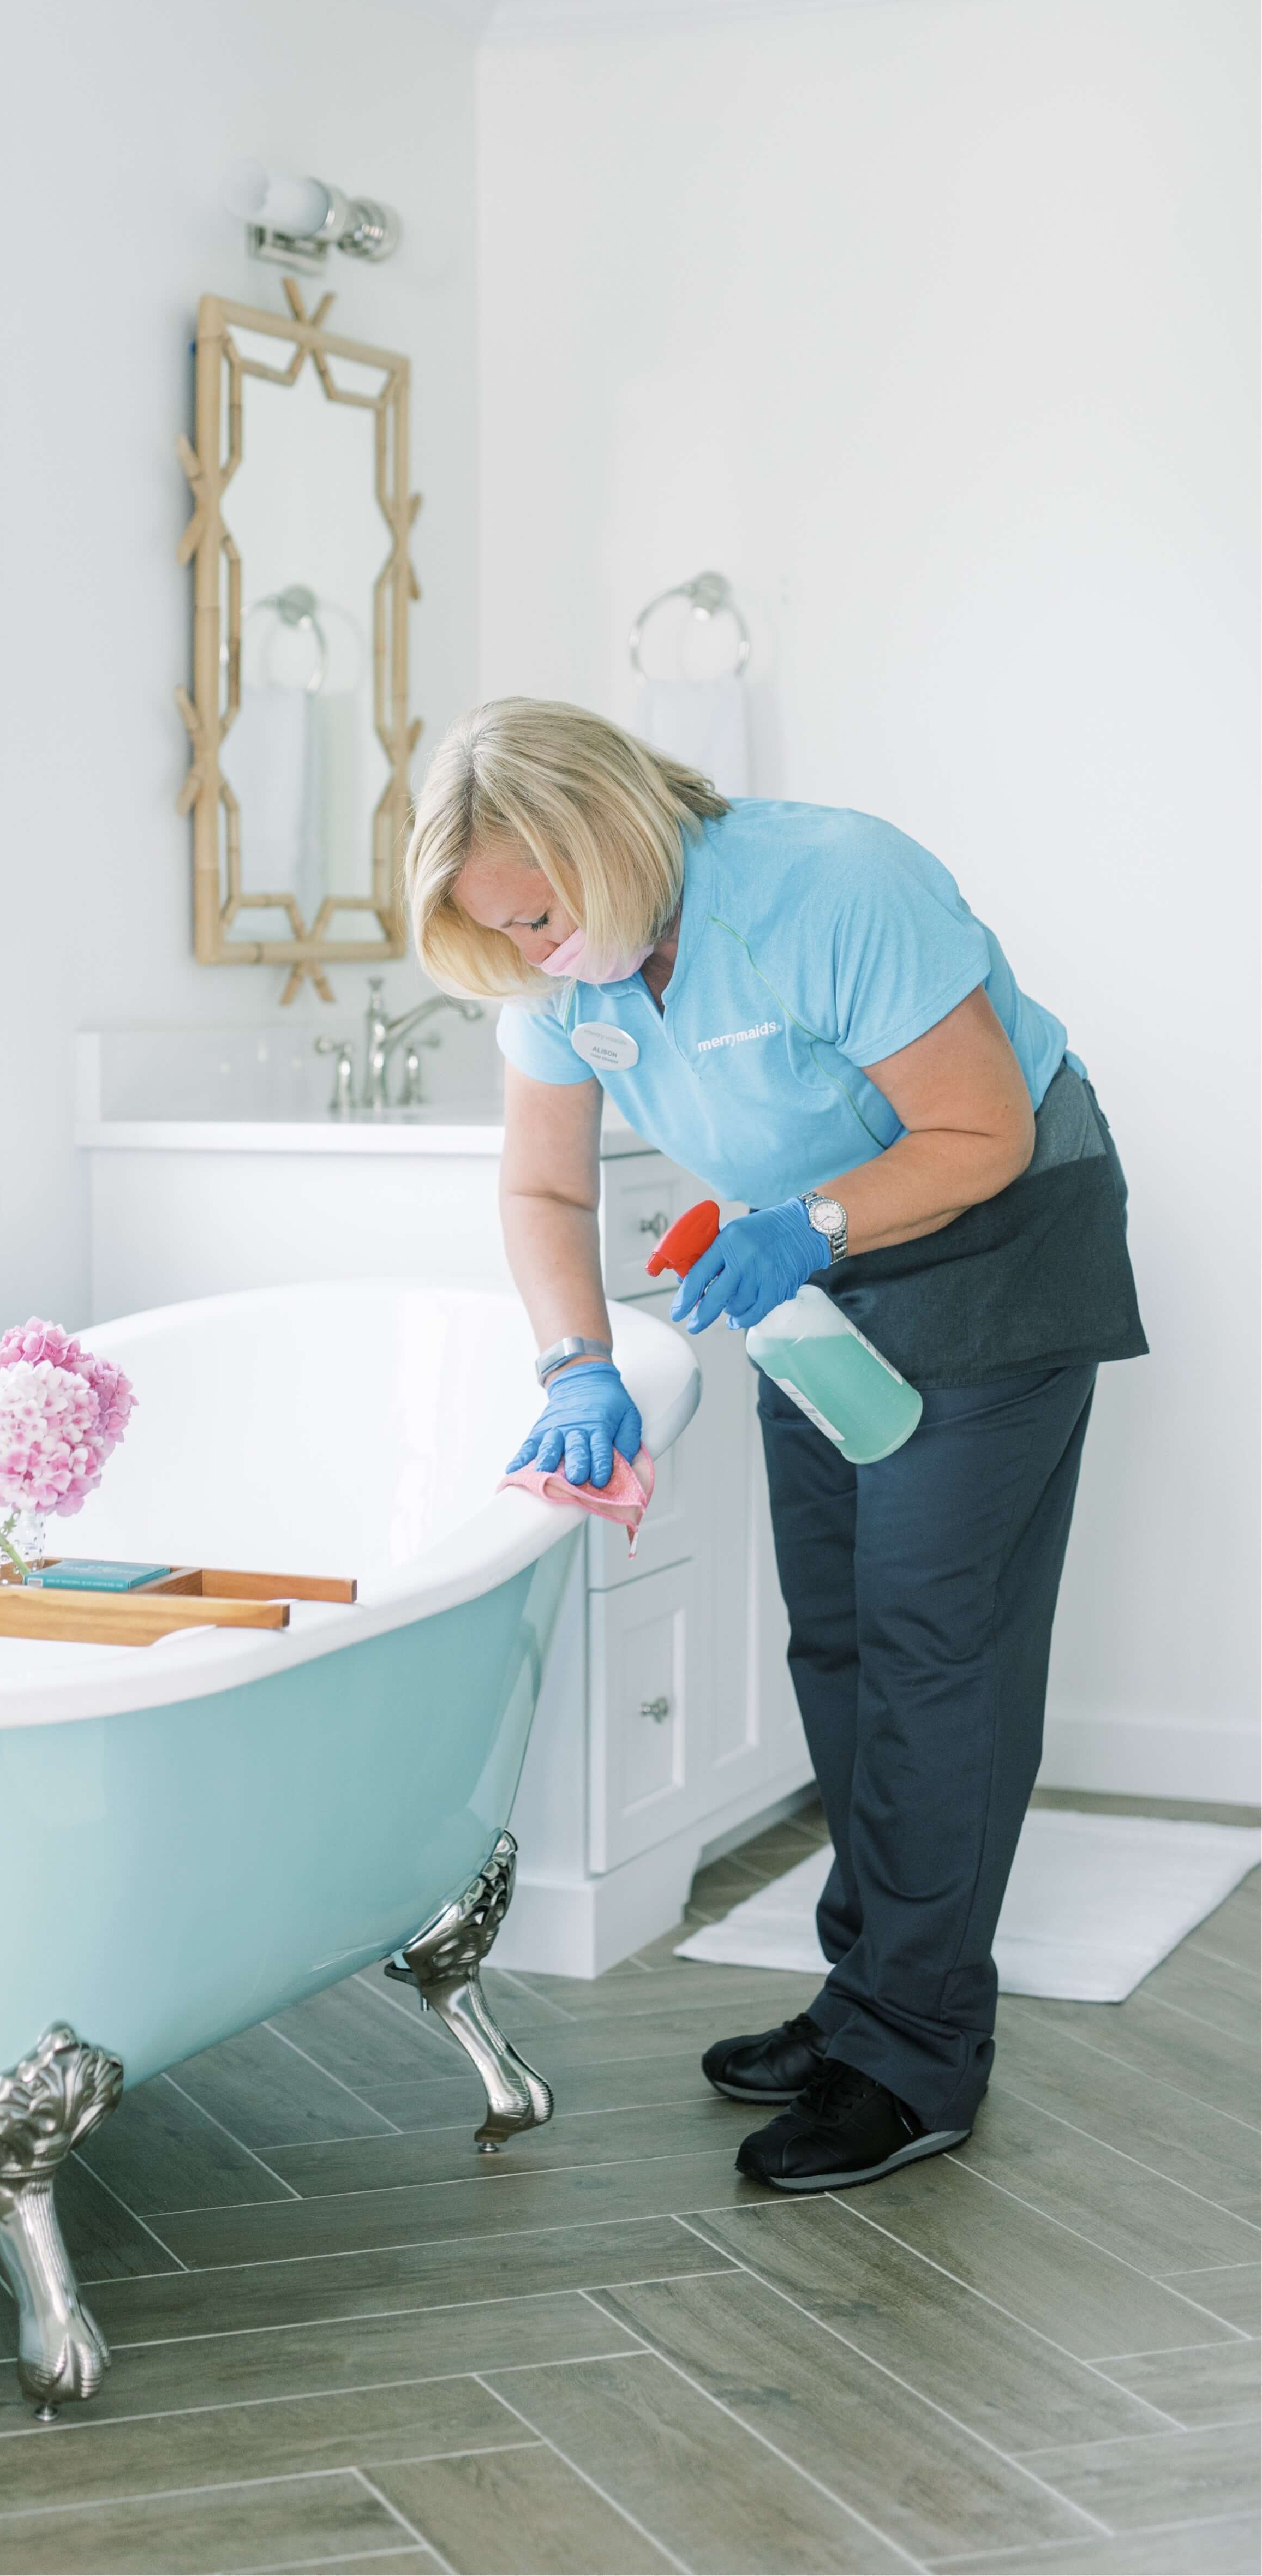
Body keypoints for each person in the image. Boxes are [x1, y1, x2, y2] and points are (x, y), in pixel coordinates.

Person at [405, 700, 1144, 2191]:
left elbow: (977, 1137)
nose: (536, 956)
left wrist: (798, 1222)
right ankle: (863, 1998)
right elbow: (541, 1196)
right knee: (844, 1641)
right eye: (506, 936)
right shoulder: (558, 968)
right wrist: (575, 1369)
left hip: (992, 1243)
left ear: (612, 840)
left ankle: (916, 2057)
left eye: (544, 917)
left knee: (939, 1643)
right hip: (818, 1274)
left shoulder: (831, 885)